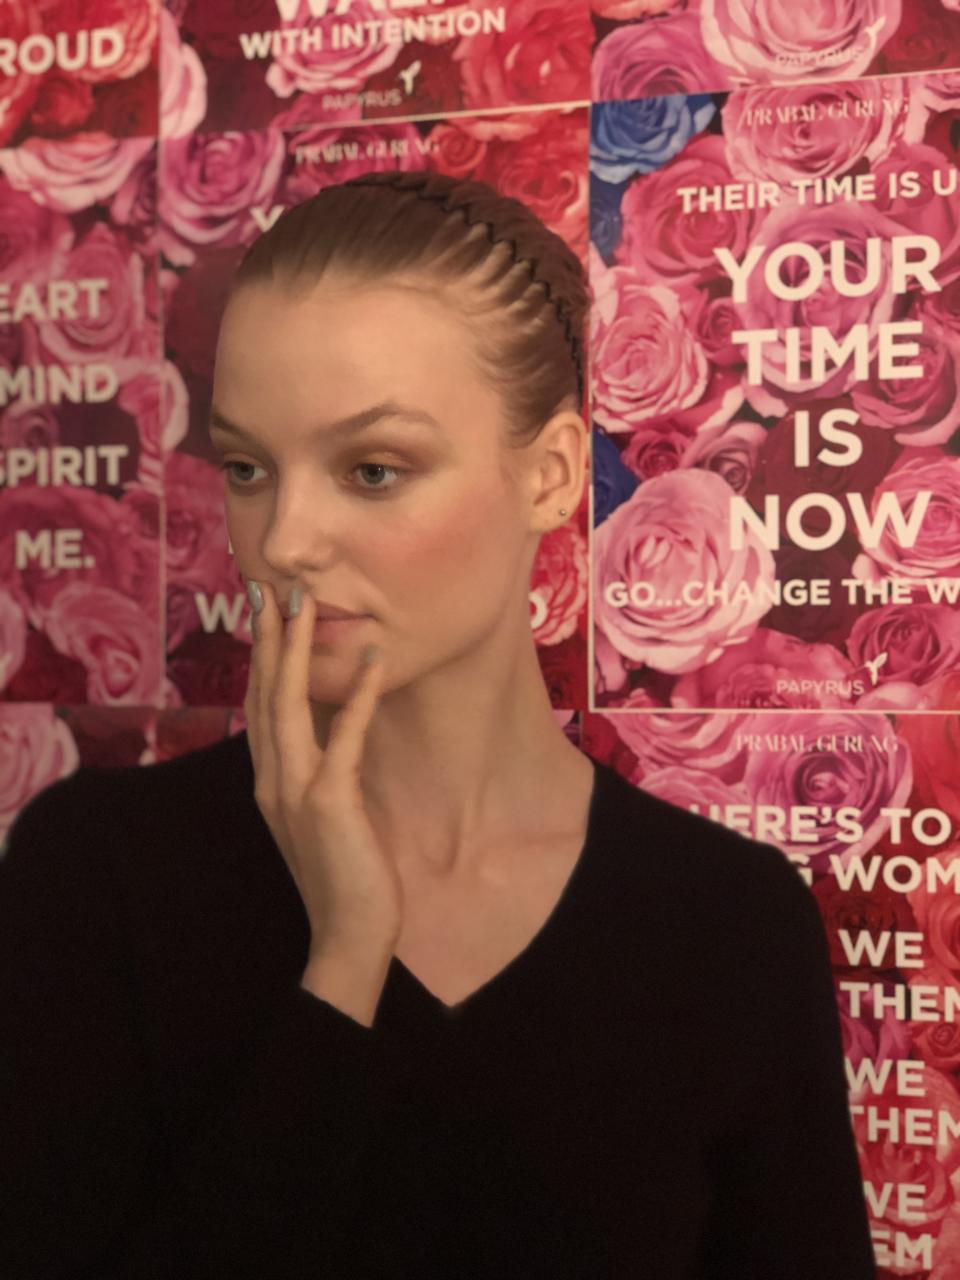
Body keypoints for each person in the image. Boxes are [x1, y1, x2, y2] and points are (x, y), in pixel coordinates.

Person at [0, 170, 875, 1279]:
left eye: (373, 468)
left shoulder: (728, 926)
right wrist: (345, 960)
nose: (286, 540)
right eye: (248, 467)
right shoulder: (100, 871)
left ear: (552, 474)